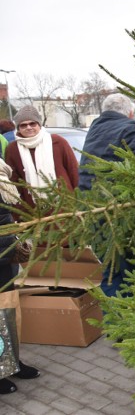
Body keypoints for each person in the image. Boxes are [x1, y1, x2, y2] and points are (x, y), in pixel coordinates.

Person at [79, 93, 135, 297]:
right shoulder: (132, 128)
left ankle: (114, 325)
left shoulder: (94, 129)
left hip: (94, 212)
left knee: (112, 273)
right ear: (130, 113)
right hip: (124, 215)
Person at [0, 158, 40, 394]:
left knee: (9, 314)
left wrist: (15, 241)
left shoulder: (2, 173)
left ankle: (12, 361)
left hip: (5, 256)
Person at [5, 105, 78, 210]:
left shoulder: (58, 142)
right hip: (33, 211)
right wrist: (18, 212)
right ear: (18, 128)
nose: (28, 127)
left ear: (39, 124)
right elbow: (14, 182)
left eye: (32, 123)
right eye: (23, 125)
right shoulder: (12, 149)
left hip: (65, 205)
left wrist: (80, 201)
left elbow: (73, 170)